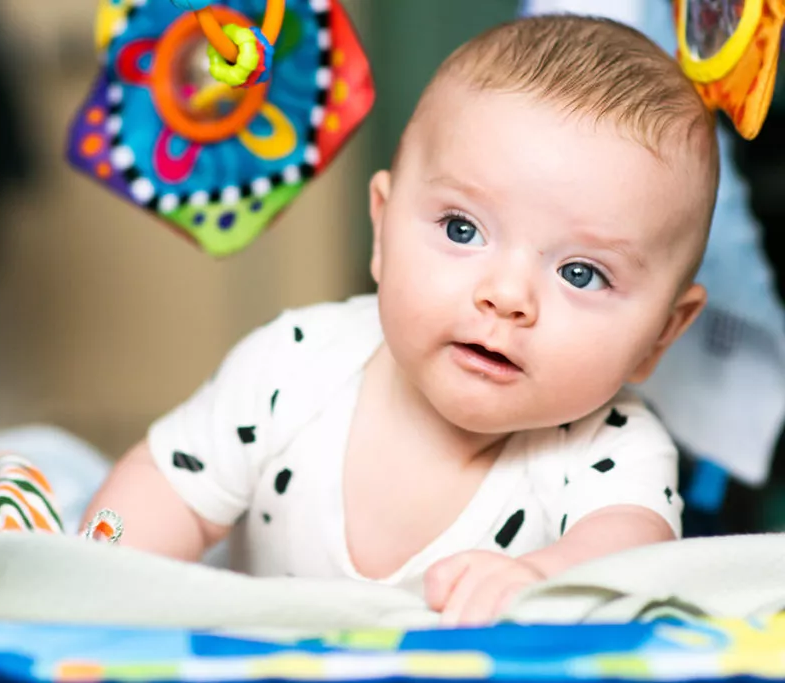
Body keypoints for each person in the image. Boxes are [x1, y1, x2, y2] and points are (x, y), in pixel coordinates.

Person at [83, 14, 719, 627]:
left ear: (660, 333)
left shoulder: (609, 447)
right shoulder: (295, 366)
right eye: (462, 229)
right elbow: (168, 489)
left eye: (581, 273)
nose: (506, 296)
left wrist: (547, 577)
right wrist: (101, 588)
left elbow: (633, 554)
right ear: (383, 228)